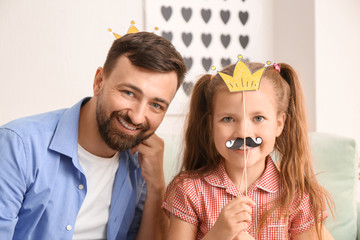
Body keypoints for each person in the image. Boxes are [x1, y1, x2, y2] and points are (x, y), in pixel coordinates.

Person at [0, 31, 186, 240]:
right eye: (129, 93)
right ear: (99, 82)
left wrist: (156, 185)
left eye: (156, 105)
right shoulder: (18, 146)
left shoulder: (141, 164)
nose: (137, 117)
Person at [162, 60, 334, 239]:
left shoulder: (297, 196)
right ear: (211, 125)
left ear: (279, 124)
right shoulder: (189, 190)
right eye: (228, 119)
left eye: (258, 118)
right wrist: (217, 235)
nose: (243, 133)